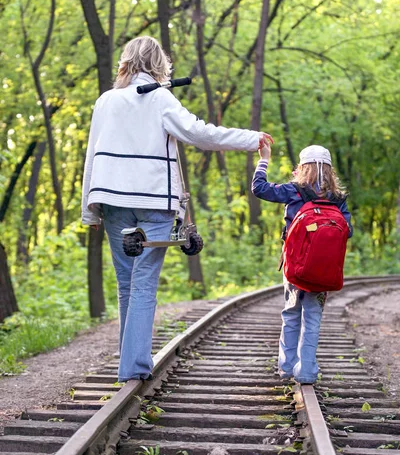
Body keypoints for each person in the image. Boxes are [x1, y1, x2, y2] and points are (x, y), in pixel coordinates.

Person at [82, 35, 273, 383]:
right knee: (143, 285)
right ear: (159, 66)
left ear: (126, 63)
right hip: (154, 202)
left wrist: (89, 211)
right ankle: (134, 369)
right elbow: (200, 134)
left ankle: (130, 365)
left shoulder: (106, 101)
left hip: (112, 201)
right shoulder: (161, 99)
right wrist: (251, 138)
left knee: (127, 285)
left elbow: (91, 156)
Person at [252, 143, 353, 384]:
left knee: (291, 313)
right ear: (330, 170)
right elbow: (347, 231)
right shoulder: (338, 198)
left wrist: (264, 159)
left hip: (295, 267)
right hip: (324, 269)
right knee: (313, 316)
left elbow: (259, 188)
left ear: (301, 167)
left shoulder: (294, 191)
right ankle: (307, 371)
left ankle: (286, 367)